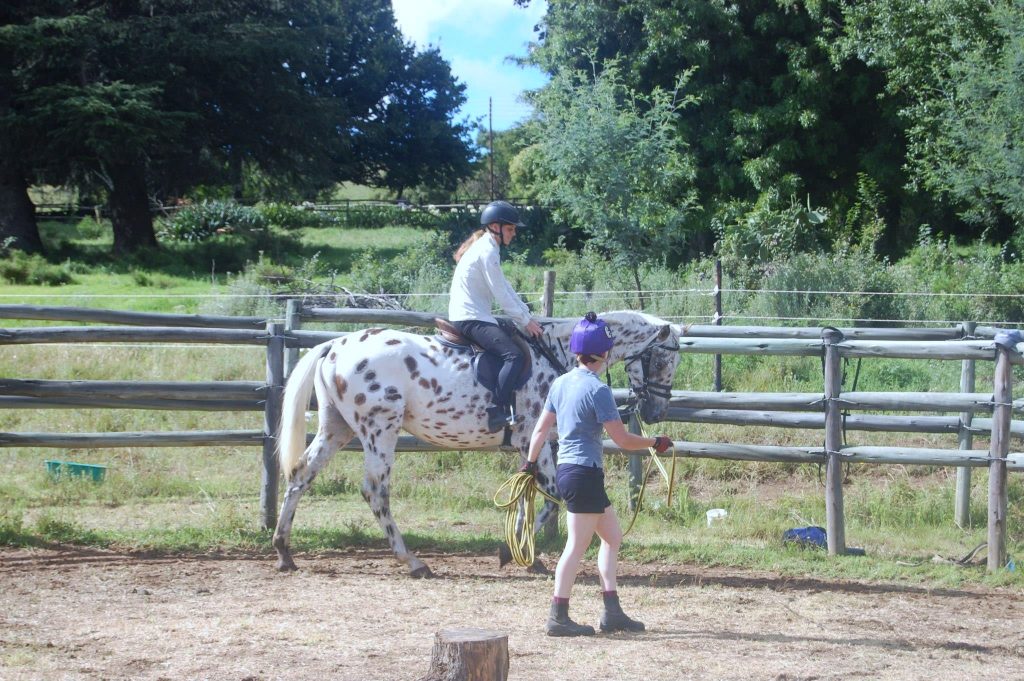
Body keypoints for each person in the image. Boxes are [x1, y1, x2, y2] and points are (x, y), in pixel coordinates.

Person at [522, 311, 673, 637]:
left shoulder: (560, 383)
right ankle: (558, 616)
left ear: (577, 352)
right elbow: (622, 439)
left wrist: (529, 465)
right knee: (575, 547)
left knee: (612, 537)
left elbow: (539, 431)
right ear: (604, 354)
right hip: (585, 474)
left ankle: (612, 611)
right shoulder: (598, 390)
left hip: (569, 472)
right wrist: (655, 442)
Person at [449, 200, 544, 433]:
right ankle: (496, 410)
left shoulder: (487, 247)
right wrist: (525, 321)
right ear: (495, 226)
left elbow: (505, 287)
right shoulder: (487, 249)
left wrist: (526, 315)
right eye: (510, 229)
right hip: (470, 318)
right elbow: (500, 294)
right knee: (513, 356)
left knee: (512, 335)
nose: (514, 233)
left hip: (474, 314)